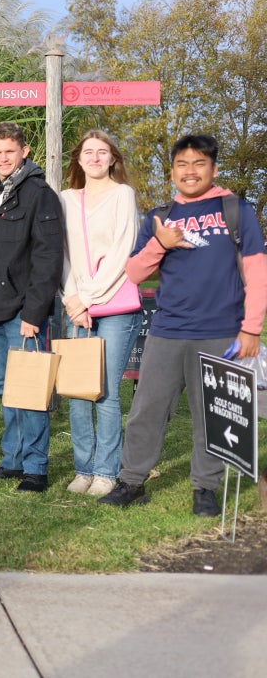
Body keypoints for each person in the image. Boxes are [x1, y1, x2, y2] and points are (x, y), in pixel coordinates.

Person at [99, 134, 267, 516]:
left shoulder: (237, 210)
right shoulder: (160, 216)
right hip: (168, 331)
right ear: (172, 170)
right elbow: (134, 273)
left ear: (213, 169)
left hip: (223, 332)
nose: (190, 172)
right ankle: (132, 482)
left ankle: (205, 488)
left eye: (199, 164)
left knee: (214, 412)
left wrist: (251, 329)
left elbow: (259, 274)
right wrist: (160, 242)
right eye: (182, 165)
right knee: (147, 409)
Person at [0, 121, 64, 493]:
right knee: (6, 390)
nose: (4, 157)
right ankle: (12, 461)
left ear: (24, 151)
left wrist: (34, 313)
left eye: (10, 151)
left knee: (30, 389)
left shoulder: (39, 194)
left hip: (23, 313)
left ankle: (36, 469)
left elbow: (48, 257)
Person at [60, 131, 142, 497]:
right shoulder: (65, 199)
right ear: (78, 160)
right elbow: (62, 255)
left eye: (102, 152)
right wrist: (71, 299)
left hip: (115, 307)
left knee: (106, 392)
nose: (94, 158)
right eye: (88, 152)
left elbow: (124, 253)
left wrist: (88, 299)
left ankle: (107, 472)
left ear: (113, 159)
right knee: (78, 390)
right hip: (75, 306)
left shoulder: (123, 195)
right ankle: (84, 469)